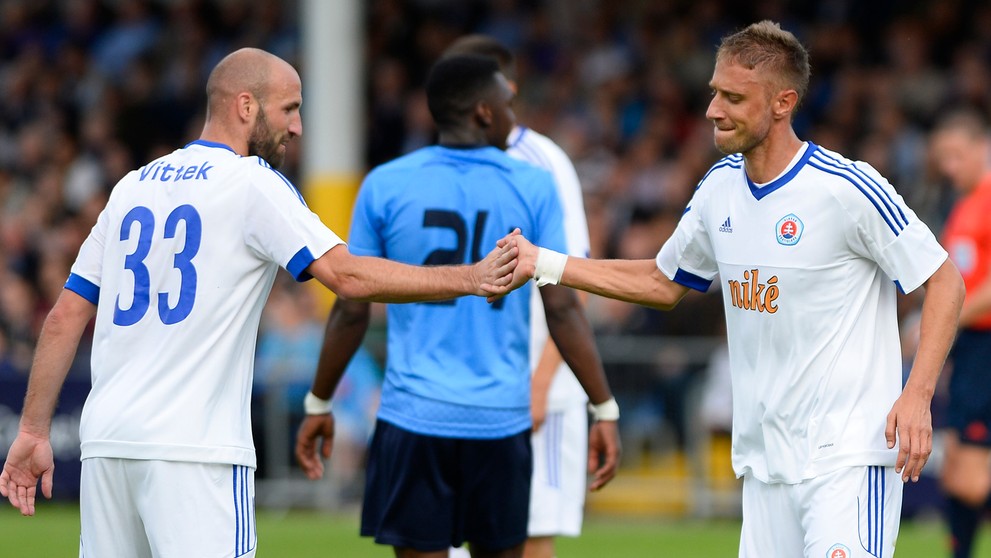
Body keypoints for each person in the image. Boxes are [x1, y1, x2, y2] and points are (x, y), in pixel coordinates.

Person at [0, 47, 521, 557]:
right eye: (290, 109)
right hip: (196, 451)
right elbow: (345, 275)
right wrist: (471, 278)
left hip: (107, 444)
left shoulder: (130, 187)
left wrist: (31, 431)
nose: (297, 127)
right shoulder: (253, 183)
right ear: (245, 106)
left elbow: (66, 315)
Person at [501, 21, 965, 558]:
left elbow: (943, 278)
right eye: (714, 93)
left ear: (782, 103)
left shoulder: (845, 187)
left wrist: (918, 393)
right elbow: (661, 280)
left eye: (734, 97)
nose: (713, 110)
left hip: (847, 461)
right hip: (764, 466)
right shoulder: (719, 187)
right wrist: (546, 262)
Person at [294, 54, 621, 558]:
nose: (515, 117)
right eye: (509, 104)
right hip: (500, 421)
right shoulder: (533, 184)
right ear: (485, 113)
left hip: (412, 417)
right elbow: (563, 308)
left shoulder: (385, 183)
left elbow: (350, 306)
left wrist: (319, 402)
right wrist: (603, 406)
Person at [440, 35, 592, 558]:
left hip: (532, 382)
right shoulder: (444, 164)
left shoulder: (541, 162)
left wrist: (541, 385)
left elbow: (576, 278)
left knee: (529, 535)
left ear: (504, 89)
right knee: (470, 536)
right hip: (469, 387)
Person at [929, 109, 991, 558]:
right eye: (943, 158)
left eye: (957, 155)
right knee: (955, 472)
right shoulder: (964, 205)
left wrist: (948, 318)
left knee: (968, 478)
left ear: (980, 149)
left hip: (985, 346)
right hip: (969, 348)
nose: (949, 166)